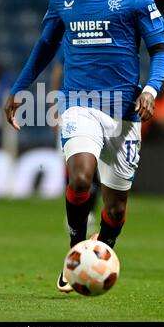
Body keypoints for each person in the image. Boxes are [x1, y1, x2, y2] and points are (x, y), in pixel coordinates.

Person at [4, 0, 164, 293]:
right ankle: (76, 249)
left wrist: (151, 90)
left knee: (114, 209)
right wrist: (19, 89)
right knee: (80, 178)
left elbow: (159, 52)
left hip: (125, 111)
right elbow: (44, 47)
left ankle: (102, 250)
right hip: (80, 104)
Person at [49, 46, 101, 233]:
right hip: (70, 108)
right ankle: (75, 212)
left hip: (99, 108)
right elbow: (57, 73)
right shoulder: (70, 41)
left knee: (94, 166)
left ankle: (90, 212)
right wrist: (54, 108)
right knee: (71, 164)